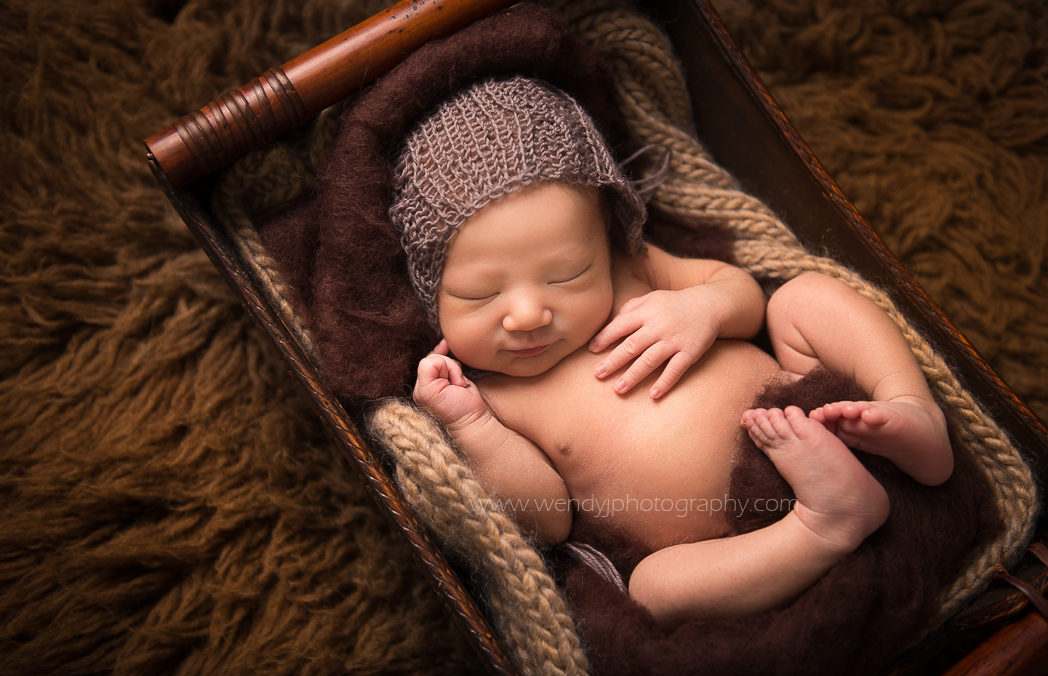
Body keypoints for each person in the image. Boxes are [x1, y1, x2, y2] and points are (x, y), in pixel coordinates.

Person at [390, 76, 953, 627]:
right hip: (724, 543)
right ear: (429, 293)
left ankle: (909, 409)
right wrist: (472, 429)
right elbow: (548, 521)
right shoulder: (493, 397)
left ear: (606, 241)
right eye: (480, 295)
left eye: (567, 275)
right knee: (652, 589)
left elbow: (746, 296)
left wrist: (704, 307)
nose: (529, 314)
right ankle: (820, 527)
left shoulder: (636, 268)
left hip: (824, 417)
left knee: (800, 298)